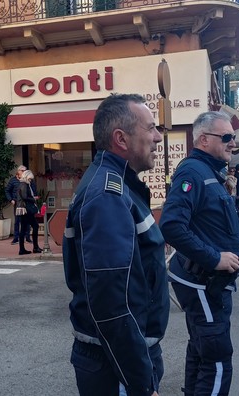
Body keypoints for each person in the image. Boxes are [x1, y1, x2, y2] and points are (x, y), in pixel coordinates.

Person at [63, 93, 168, 396]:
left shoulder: (119, 186)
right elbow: (111, 306)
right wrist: (140, 382)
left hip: (118, 358)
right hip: (115, 364)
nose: (158, 138)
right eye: (150, 128)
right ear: (121, 139)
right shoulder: (107, 196)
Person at [159, 111, 239, 396]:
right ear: (204, 140)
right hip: (203, 281)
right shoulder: (192, 172)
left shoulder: (210, 172)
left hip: (210, 282)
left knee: (201, 348)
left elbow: (217, 222)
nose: (232, 143)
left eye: (232, 137)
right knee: (217, 359)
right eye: (227, 137)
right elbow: (171, 226)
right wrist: (215, 258)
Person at [15, 170, 42, 255]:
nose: (30, 180)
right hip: (26, 209)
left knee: (23, 228)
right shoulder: (24, 185)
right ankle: (35, 247)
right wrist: (34, 198)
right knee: (35, 226)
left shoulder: (21, 184)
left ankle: (22, 249)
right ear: (27, 177)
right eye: (30, 179)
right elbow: (24, 197)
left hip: (23, 209)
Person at [6, 165, 32, 245]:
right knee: (17, 221)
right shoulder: (13, 180)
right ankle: (16, 238)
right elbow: (7, 190)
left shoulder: (27, 180)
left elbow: (31, 190)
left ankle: (27, 237)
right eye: (23, 170)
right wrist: (11, 199)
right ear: (18, 171)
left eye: (25, 170)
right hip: (17, 203)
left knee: (27, 220)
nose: (24, 172)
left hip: (26, 202)